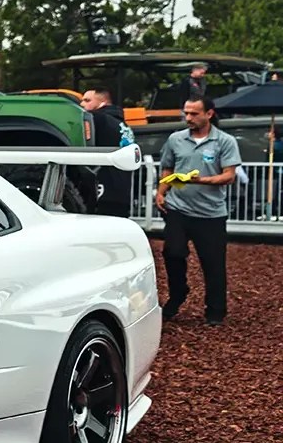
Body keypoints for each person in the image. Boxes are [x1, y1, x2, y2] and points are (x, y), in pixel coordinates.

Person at [155, 95, 241, 326]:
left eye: (194, 113)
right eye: (186, 113)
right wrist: (161, 192)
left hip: (210, 214)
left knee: (213, 264)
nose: (188, 117)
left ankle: (215, 312)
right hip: (178, 208)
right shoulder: (175, 139)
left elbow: (229, 176)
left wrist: (201, 180)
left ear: (209, 114)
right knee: (172, 252)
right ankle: (178, 294)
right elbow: (168, 169)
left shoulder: (224, 141)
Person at [79, 87, 135, 216]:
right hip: (122, 190)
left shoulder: (98, 119)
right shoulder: (122, 124)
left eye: (87, 100)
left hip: (102, 190)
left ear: (102, 102)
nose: (82, 104)